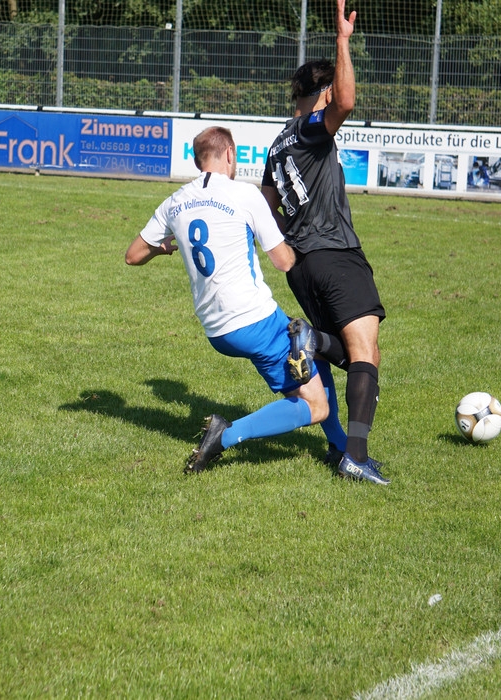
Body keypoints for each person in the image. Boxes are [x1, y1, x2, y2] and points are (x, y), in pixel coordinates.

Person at [125, 126, 330, 474]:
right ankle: (226, 435)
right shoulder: (244, 194)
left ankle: (340, 447)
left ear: (197, 161)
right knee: (316, 404)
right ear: (231, 154)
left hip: (217, 331)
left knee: (310, 355)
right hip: (254, 320)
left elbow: (132, 256)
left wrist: (161, 250)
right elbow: (283, 261)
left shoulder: (175, 202)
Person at [260, 0, 389, 485]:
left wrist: (291, 250)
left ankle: (315, 343)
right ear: (323, 91)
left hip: (304, 267)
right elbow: (346, 105)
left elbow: (267, 206)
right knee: (364, 350)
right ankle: (354, 457)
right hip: (334, 255)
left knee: (361, 357)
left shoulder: (277, 143)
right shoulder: (310, 130)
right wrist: (342, 42)